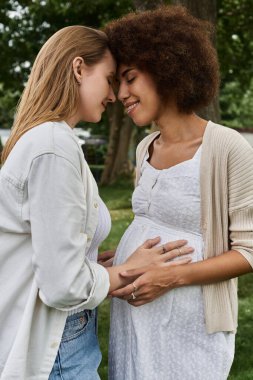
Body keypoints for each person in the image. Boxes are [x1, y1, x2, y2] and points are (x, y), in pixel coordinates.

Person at [0, 25, 192, 380]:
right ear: (77, 69)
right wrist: (124, 273)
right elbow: (63, 286)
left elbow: (44, 252)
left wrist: (90, 260)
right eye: (108, 79)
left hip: (61, 338)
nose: (115, 95)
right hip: (57, 347)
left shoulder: (49, 140)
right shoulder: (53, 147)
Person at [105, 5, 253, 380]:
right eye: (117, 83)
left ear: (166, 69)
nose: (121, 93)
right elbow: (152, 221)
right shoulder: (144, 147)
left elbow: (249, 251)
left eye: (130, 78)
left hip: (191, 328)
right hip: (134, 319)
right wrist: (121, 259)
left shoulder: (227, 148)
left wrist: (171, 277)